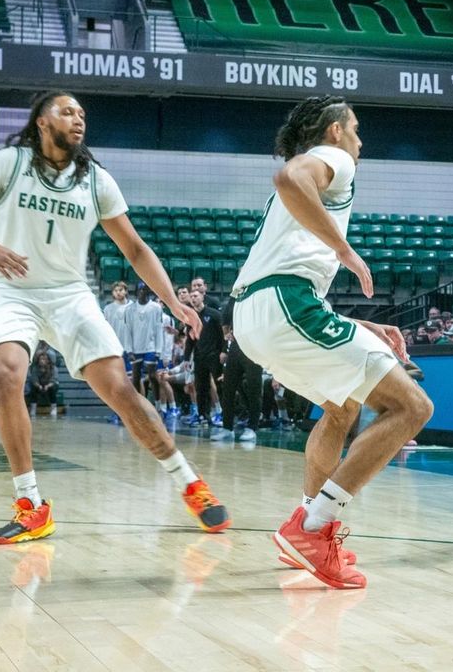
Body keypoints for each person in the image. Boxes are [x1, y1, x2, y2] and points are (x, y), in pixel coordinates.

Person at [0, 91, 228, 543]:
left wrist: (173, 302)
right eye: (66, 112)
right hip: (11, 290)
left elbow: (136, 249)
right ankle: (32, 505)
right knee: (5, 373)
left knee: (120, 389)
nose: (78, 119)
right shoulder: (10, 163)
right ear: (42, 122)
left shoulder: (96, 180)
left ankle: (190, 484)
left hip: (69, 294)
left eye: (82, 113)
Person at [231, 95, 433, 589]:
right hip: (284, 304)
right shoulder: (336, 158)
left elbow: (284, 268)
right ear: (336, 131)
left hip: (259, 315)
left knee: (340, 407)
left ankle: (309, 525)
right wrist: (345, 250)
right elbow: (288, 176)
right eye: (357, 129)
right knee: (411, 408)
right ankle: (313, 527)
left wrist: (361, 326)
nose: (361, 141)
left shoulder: (310, 190)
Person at [213, 298, 262, 443]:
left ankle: (252, 428)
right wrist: (226, 333)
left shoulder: (259, 295)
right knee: (228, 388)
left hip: (254, 346)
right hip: (235, 346)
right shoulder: (235, 296)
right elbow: (226, 317)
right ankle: (227, 428)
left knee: (254, 388)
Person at [183, 288, 223, 427]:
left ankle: (223, 414)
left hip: (214, 356)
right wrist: (186, 358)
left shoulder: (214, 315)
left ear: (202, 298)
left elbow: (222, 336)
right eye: (191, 296)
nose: (193, 298)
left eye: (195, 296)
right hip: (199, 357)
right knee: (201, 388)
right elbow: (190, 340)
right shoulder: (191, 318)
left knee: (220, 385)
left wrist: (223, 352)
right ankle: (202, 415)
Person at [125, 282, 163, 401]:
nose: (142, 292)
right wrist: (129, 350)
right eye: (140, 289)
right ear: (136, 292)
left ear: (149, 292)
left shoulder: (156, 308)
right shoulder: (129, 309)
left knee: (152, 376)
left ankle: (158, 405)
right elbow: (127, 330)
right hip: (136, 348)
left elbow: (159, 329)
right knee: (136, 377)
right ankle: (140, 404)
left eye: (145, 289)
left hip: (150, 347)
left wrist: (158, 350)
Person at [25, 350, 60, 417]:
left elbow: (54, 379)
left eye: (44, 359)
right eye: (40, 359)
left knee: (53, 388)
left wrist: (48, 385)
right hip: (39, 385)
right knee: (33, 388)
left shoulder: (53, 368)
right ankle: (33, 408)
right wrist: (38, 385)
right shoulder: (35, 368)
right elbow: (34, 379)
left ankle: (53, 408)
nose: (41, 361)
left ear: (48, 360)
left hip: (49, 385)